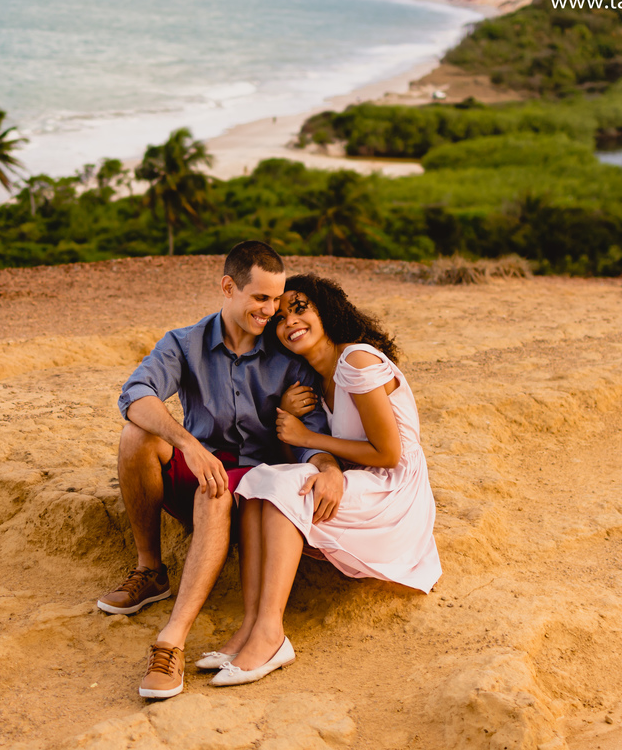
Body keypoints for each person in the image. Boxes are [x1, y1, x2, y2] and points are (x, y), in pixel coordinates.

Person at [100, 241, 344, 699]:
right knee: (137, 435)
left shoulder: (288, 355)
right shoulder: (184, 343)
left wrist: (330, 469)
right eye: (260, 298)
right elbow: (134, 393)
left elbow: (311, 432)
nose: (271, 310)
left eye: (276, 299)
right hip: (203, 468)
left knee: (215, 489)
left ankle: (170, 641)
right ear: (228, 288)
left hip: (253, 490)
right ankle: (150, 571)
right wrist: (187, 443)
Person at [203, 273, 441, 687]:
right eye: (280, 318)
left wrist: (307, 435)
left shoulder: (358, 361)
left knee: (285, 489)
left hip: (393, 490)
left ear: (326, 311)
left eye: (301, 308)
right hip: (360, 482)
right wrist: (287, 414)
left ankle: (271, 635)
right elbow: (293, 453)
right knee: (259, 482)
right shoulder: (312, 378)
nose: (290, 322)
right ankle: (250, 626)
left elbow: (390, 454)